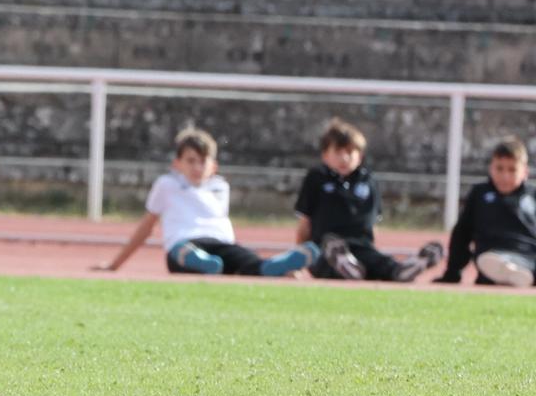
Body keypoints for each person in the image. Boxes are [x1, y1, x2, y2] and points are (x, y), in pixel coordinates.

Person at [95, 126, 318, 276]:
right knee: (187, 254)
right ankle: (198, 260)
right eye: (190, 161)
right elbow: (146, 226)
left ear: (214, 166)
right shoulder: (166, 185)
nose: (197, 168)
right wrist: (115, 265)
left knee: (245, 260)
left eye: (203, 162)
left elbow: (219, 222)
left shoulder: (220, 187)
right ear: (177, 164)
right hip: (183, 244)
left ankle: (273, 266)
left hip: (221, 244)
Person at [293, 117, 443, 282]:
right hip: (326, 248)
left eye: (350, 152)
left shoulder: (368, 180)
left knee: (380, 263)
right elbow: (304, 225)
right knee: (326, 265)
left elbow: (372, 225)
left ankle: (401, 270)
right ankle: (344, 265)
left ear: (360, 155)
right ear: (325, 156)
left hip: (361, 246)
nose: (344, 158)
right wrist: (299, 261)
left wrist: (372, 252)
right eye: (338, 152)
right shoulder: (316, 178)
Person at [435, 136, 536, 287]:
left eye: (512, 170)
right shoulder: (480, 193)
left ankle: (522, 273)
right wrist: (452, 272)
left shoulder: (532, 194)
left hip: (528, 255)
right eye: (499, 168)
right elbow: (461, 233)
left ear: (525, 172)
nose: (505, 176)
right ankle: (511, 273)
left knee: (529, 265)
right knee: (490, 262)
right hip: (492, 256)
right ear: (491, 168)